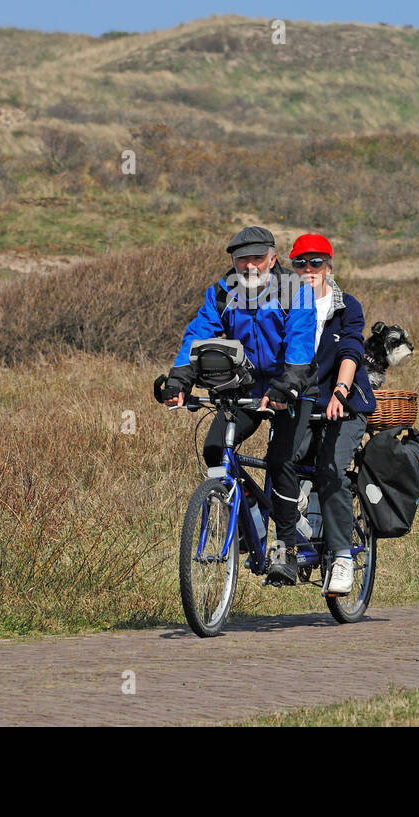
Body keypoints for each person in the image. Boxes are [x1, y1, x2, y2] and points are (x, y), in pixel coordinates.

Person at [162, 226, 317, 585]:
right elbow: (198, 336)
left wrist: (286, 386)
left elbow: (300, 344)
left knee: (280, 462)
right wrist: (179, 380)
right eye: (241, 258)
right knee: (216, 450)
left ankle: (287, 549)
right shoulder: (221, 293)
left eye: (257, 258)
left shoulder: (296, 291)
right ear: (232, 261)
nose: (249, 266)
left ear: (273, 258)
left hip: (290, 389)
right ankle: (252, 526)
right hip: (243, 388)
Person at [288, 233, 376, 596]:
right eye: (300, 263)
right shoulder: (287, 305)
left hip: (346, 404)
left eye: (316, 263)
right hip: (304, 404)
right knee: (281, 462)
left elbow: (351, 350)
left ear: (329, 265)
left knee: (331, 469)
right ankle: (290, 537)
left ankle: (341, 557)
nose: (308, 270)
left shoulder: (346, 306)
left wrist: (340, 390)